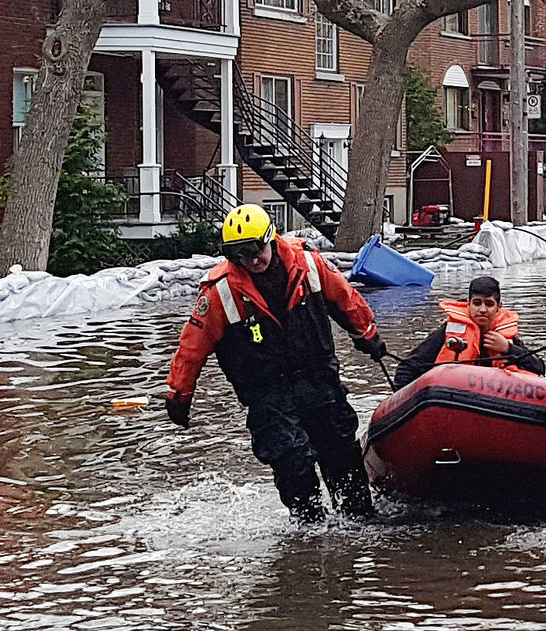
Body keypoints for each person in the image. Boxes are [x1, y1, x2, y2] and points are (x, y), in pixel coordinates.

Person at [163, 204, 388, 522]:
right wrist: (179, 394)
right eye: (240, 254)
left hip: (319, 379)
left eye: (255, 250)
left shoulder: (307, 262)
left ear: (270, 238)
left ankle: (359, 522)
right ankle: (309, 531)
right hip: (268, 393)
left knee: (341, 452)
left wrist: (367, 334)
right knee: (291, 459)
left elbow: (344, 298)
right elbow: (191, 347)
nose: (252, 260)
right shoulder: (220, 292)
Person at [396, 274, 546, 385]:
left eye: (489, 304)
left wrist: (508, 348)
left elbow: (539, 367)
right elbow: (406, 369)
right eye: (477, 303)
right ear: (468, 304)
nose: (482, 309)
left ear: (498, 308)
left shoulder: (507, 339)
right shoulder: (447, 333)